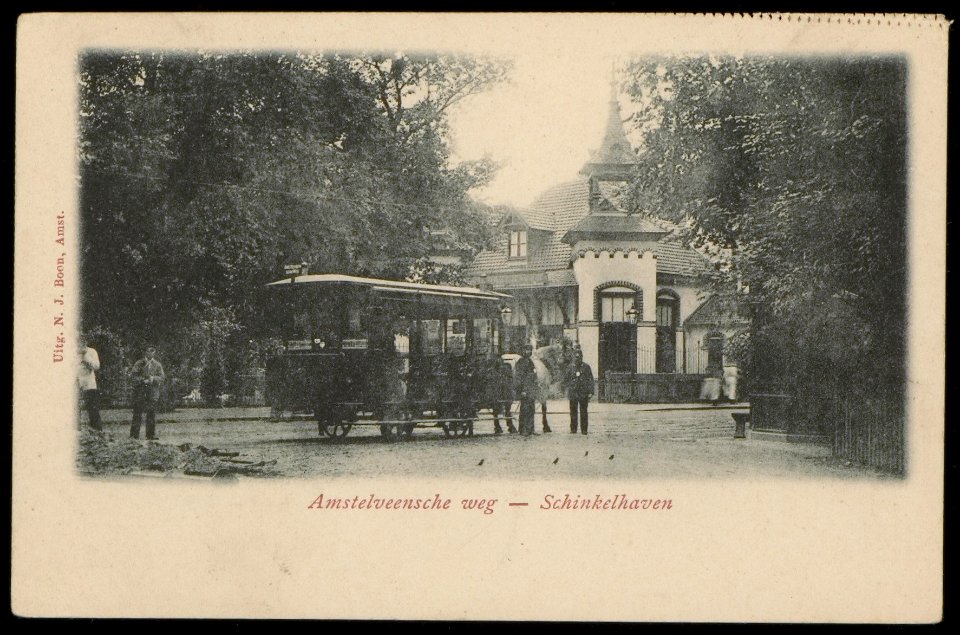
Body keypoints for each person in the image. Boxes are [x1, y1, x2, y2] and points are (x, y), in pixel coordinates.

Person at [130, 346, 165, 440]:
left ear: (154, 353)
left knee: (151, 413)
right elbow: (133, 376)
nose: (150, 353)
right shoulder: (139, 363)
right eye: (148, 351)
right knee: (137, 413)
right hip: (140, 392)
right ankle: (134, 435)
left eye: (152, 351)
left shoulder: (157, 365)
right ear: (145, 352)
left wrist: (153, 379)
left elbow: (162, 377)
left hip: (152, 392)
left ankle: (150, 435)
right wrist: (142, 380)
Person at [566, 347, 594, 435]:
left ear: (582, 357)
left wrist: (590, 392)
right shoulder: (570, 367)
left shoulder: (586, 367)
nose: (577, 358)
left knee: (583, 412)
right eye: (576, 356)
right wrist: (567, 389)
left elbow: (590, 380)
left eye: (579, 356)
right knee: (573, 412)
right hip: (573, 393)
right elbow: (566, 379)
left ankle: (584, 430)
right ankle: (573, 429)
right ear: (573, 357)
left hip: (583, 393)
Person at [77, 337, 102, 431]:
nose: (80, 344)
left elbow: (96, 366)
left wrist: (85, 358)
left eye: (82, 341)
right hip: (76, 384)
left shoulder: (91, 352)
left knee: (93, 410)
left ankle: (97, 433)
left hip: (89, 385)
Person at [514, 344, 538, 436]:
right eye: (527, 350)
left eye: (530, 350)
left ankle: (530, 429)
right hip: (525, 390)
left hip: (531, 390)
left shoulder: (530, 361)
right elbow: (519, 377)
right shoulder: (521, 362)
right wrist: (523, 390)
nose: (529, 352)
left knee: (531, 409)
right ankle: (523, 429)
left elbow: (533, 375)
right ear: (523, 351)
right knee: (525, 410)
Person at [491, 358, 517, 435]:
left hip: (505, 391)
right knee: (501, 407)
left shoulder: (507, 366)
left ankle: (501, 425)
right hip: (500, 390)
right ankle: (503, 425)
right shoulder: (502, 367)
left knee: (506, 407)